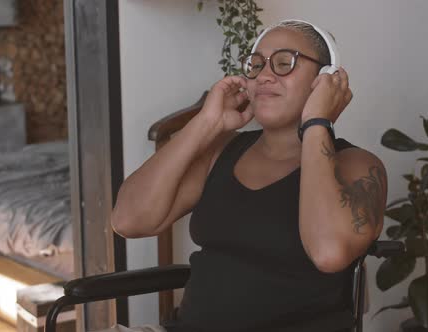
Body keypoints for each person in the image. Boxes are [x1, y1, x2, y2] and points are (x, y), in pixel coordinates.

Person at [105, 19, 388, 332]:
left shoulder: (357, 165)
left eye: (284, 63)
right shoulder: (221, 152)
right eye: (255, 65)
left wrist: (317, 121)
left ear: (325, 80)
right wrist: (206, 123)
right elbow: (128, 220)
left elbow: (328, 253)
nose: (264, 75)